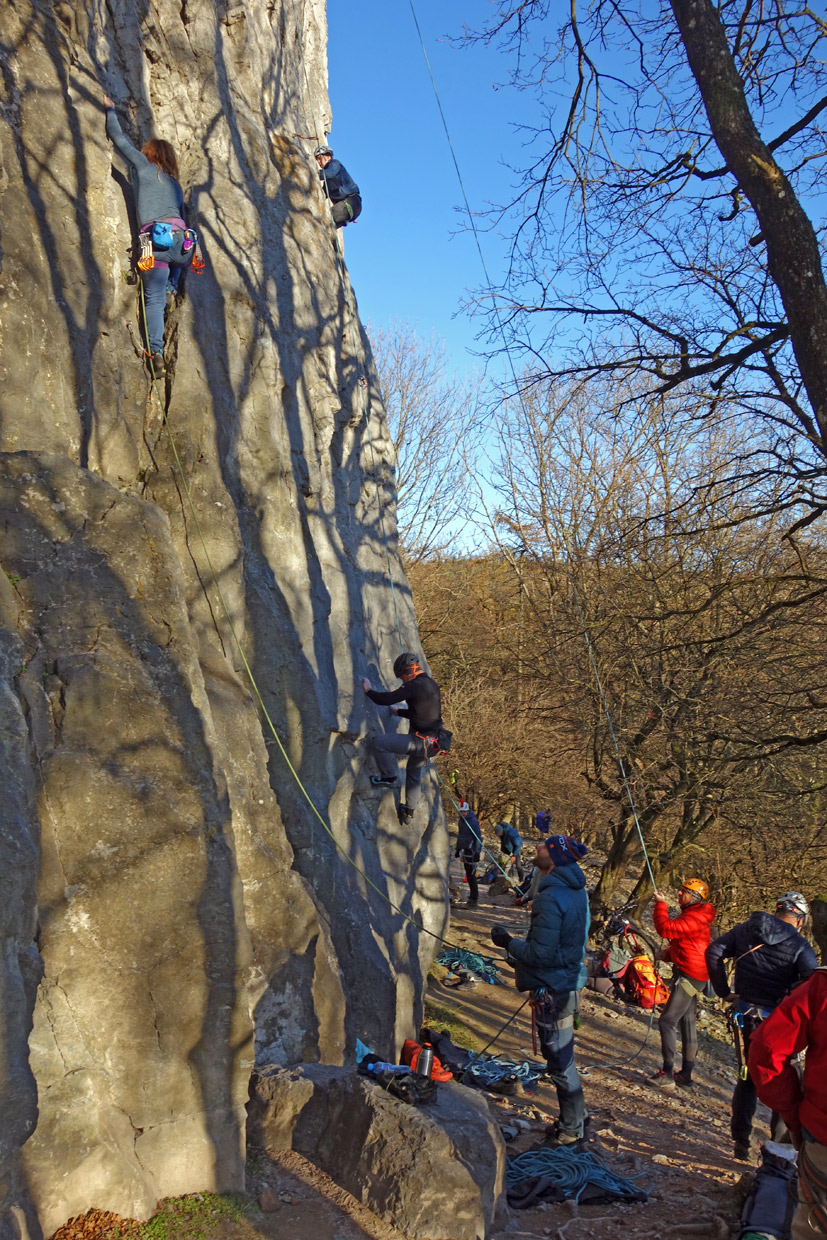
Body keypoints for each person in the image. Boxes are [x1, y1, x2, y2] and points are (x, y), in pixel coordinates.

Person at [491, 834, 590, 1143]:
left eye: (545, 847)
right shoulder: (577, 892)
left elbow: (540, 954)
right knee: (563, 1058)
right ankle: (575, 1121)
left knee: (559, 1062)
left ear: (556, 859)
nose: (538, 848)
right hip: (565, 983)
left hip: (554, 989)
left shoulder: (551, 895)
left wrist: (507, 941)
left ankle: (572, 1129)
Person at [707, 892, 816, 1160]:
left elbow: (714, 951)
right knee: (784, 1079)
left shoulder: (748, 929)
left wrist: (723, 991)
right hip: (780, 1024)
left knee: (747, 1078)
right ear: (799, 919)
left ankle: (740, 1144)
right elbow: (812, 984)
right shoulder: (800, 946)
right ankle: (777, 1150)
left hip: (746, 1016)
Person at [103, 94, 194, 378]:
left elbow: (118, 138)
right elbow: (181, 213)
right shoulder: (175, 185)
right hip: (181, 244)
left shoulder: (143, 168)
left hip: (153, 242)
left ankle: (155, 352)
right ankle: (171, 286)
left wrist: (110, 109)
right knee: (175, 265)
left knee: (151, 300)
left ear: (150, 154)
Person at [749, 968, 827, 1240]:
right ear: (799, 922)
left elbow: (767, 1050)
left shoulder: (821, 986)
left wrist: (793, 1115)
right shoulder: (804, 954)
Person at [651, 877, 716, 1090]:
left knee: (666, 1021)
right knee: (687, 1022)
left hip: (690, 976)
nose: (679, 894)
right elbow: (688, 945)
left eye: (684, 891)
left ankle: (667, 1073)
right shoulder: (694, 916)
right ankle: (686, 1075)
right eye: (680, 890)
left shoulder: (695, 918)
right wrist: (667, 955)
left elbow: (666, 929)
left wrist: (660, 904)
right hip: (694, 974)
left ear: (694, 897)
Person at [363, 653, 442, 824]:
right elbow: (421, 714)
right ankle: (409, 812)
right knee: (413, 773)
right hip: (433, 744)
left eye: (402, 678)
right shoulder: (430, 684)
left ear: (408, 672)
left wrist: (368, 691)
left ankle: (388, 777)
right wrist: (398, 712)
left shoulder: (415, 685)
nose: (402, 681)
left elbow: (387, 699)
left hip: (420, 742)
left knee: (379, 742)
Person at [315, 144, 362, 228]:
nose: (319, 162)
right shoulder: (329, 183)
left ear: (328, 156)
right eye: (317, 160)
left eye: (320, 158)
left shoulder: (334, 163)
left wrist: (314, 174)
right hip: (349, 206)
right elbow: (323, 193)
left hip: (351, 202)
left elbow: (329, 173)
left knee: (326, 221)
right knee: (327, 230)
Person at [455, 800, 482, 904]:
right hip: (464, 849)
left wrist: (477, 852)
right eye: (461, 812)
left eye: (464, 811)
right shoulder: (461, 821)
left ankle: (474, 897)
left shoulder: (473, 822)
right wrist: (458, 849)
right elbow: (460, 835)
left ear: (468, 811)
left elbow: (478, 837)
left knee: (471, 874)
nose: (463, 813)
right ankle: (471, 896)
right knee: (467, 873)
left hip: (472, 850)